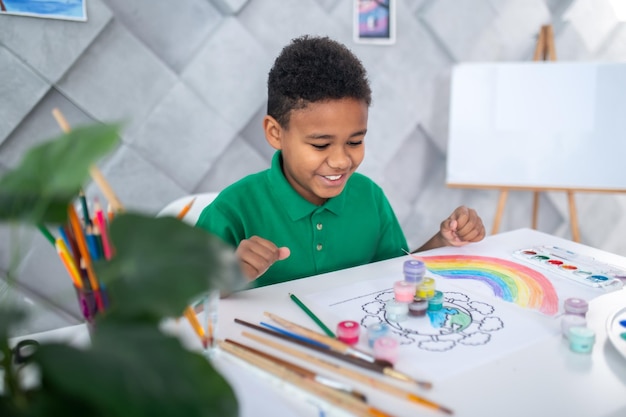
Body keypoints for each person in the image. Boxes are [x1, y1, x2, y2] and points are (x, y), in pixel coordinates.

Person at [196, 35, 485, 288]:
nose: (341, 160)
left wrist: (443, 242)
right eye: (321, 144)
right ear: (275, 133)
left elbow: (396, 272)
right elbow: (181, 306)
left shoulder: (370, 197)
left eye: (355, 141)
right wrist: (229, 277)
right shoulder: (230, 211)